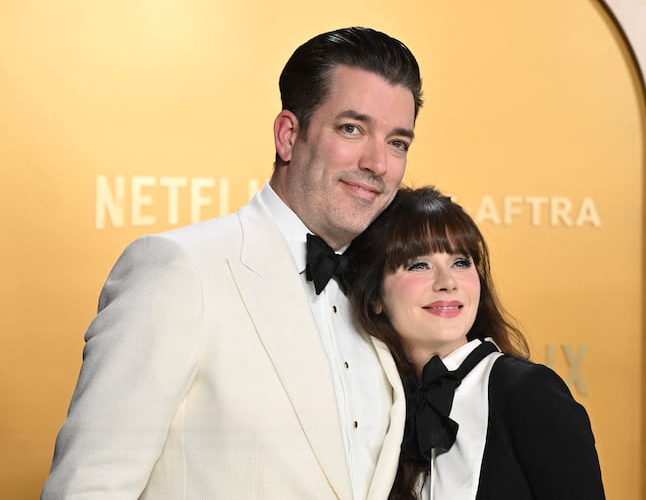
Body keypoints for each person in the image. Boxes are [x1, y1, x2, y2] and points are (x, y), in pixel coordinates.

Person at [42, 27, 423, 499]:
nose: (378, 164)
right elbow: (88, 488)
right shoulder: (178, 269)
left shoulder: (382, 295)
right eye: (352, 129)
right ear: (289, 135)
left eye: (397, 143)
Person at [344, 186, 605, 499]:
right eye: (419, 265)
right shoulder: (377, 409)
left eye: (460, 262)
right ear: (375, 296)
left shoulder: (527, 392)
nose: (447, 283)